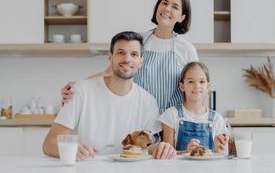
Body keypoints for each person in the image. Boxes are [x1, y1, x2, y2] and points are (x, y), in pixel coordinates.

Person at [61, 0, 198, 114]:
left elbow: (194, 91)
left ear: (182, 17)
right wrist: (77, 86)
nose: (167, 9)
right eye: (164, 3)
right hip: (137, 117)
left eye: (175, 7)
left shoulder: (186, 49)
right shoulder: (138, 40)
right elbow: (110, 72)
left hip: (171, 124)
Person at [43, 31, 176, 161]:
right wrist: (71, 149)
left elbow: (150, 147)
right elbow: (49, 144)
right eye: (121, 53)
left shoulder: (149, 102)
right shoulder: (81, 91)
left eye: (134, 54)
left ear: (141, 61)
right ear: (110, 57)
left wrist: (163, 148)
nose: (127, 59)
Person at [158, 62, 227, 153]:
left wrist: (219, 150)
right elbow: (166, 154)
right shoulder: (171, 115)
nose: (197, 86)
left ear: (208, 86)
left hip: (209, 167)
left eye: (202, 81)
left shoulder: (217, 119)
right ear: (182, 86)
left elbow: (222, 154)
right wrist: (186, 152)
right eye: (191, 81)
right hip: (179, 167)